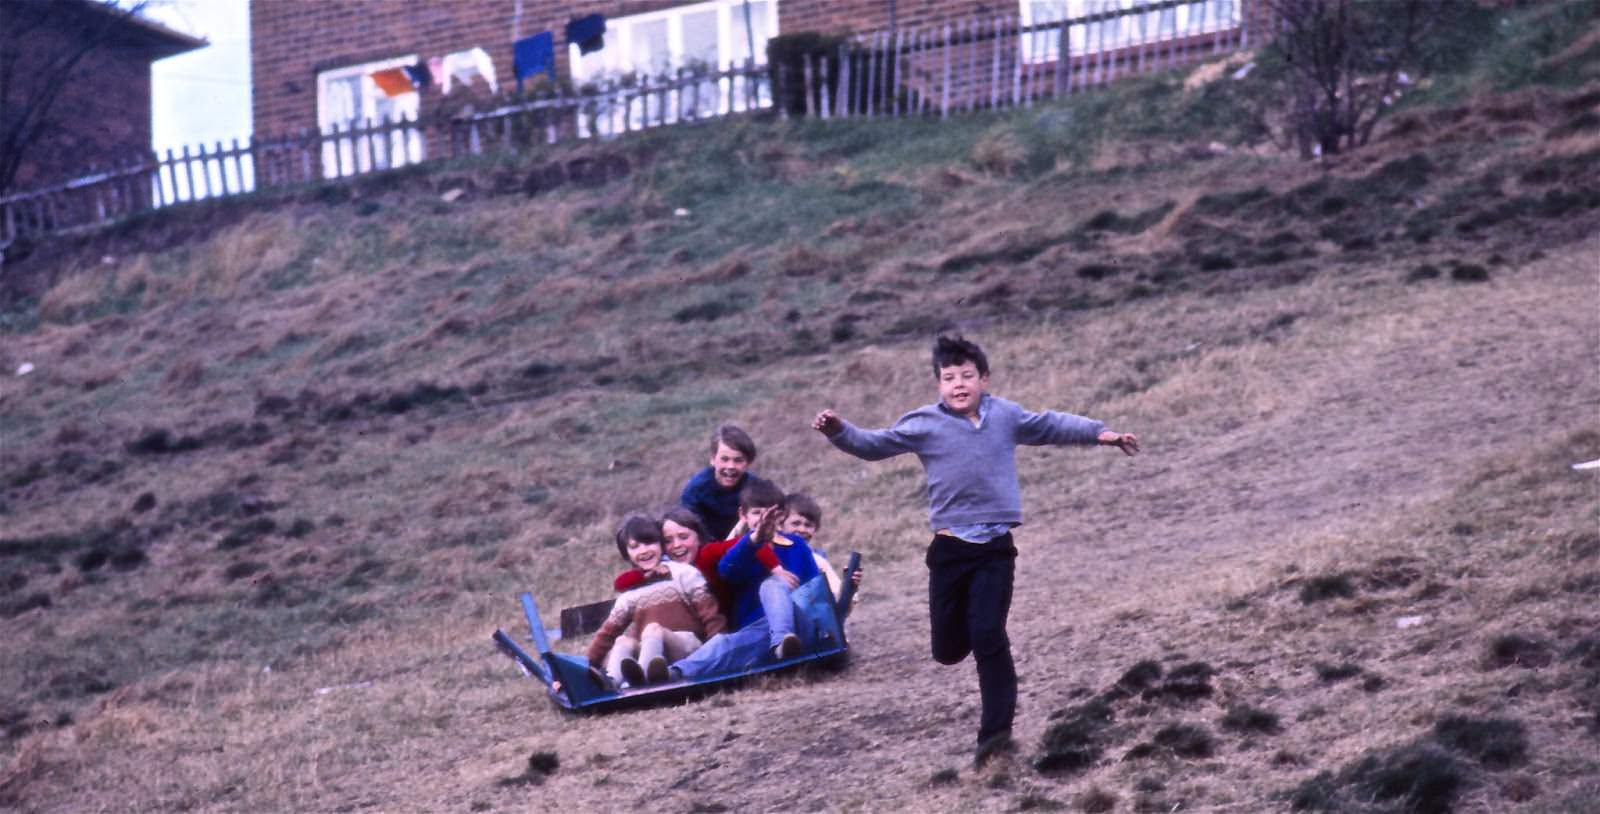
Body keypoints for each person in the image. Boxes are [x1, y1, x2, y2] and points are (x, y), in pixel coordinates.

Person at [812, 334, 1139, 766]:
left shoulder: (1005, 415)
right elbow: (874, 445)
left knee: (989, 636)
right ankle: (968, 633)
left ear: (984, 379)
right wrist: (839, 431)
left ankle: (994, 741)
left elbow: (1049, 424)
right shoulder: (924, 423)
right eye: (949, 378)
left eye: (967, 375)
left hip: (995, 550)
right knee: (947, 651)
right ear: (938, 385)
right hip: (949, 551)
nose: (959, 384)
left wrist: (1101, 433)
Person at [668, 483, 831, 681]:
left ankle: (783, 640)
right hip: (760, 633)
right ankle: (674, 673)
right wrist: (753, 541)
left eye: (770, 513)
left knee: (772, 584)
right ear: (743, 516)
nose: (763, 519)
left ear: (781, 516)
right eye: (756, 513)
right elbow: (726, 570)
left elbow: (815, 594)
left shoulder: (797, 546)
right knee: (723, 644)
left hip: (800, 626)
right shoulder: (741, 548)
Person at [586, 515, 726, 688]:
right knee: (623, 641)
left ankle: (644, 679)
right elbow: (607, 633)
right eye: (635, 547)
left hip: (687, 648)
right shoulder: (631, 592)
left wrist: (716, 653)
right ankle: (612, 681)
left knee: (653, 629)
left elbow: (710, 614)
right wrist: (586, 666)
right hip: (650, 651)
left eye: (649, 543)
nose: (644, 551)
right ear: (627, 555)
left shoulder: (684, 574)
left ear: (661, 545)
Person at [679, 424, 776, 541]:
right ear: (712, 459)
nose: (731, 466)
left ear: (748, 463)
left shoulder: (755, 488)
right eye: (724, 459)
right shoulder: (695, 490)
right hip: (707, 548)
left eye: (738, 460)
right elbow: (692, 531)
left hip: (747, 544)